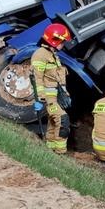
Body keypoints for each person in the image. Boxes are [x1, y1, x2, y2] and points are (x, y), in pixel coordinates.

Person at [30, 22, 71, 153]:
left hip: (55, 97)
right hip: (48, 99)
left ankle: (50, 149)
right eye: (62, 41)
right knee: (63, 120)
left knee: (53, 123)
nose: (63, 44)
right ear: (54, 40)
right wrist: (40, 99)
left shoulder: (52, 55)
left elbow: (56, 79)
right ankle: (61, 152)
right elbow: (37, 77)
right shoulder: (40, 54)